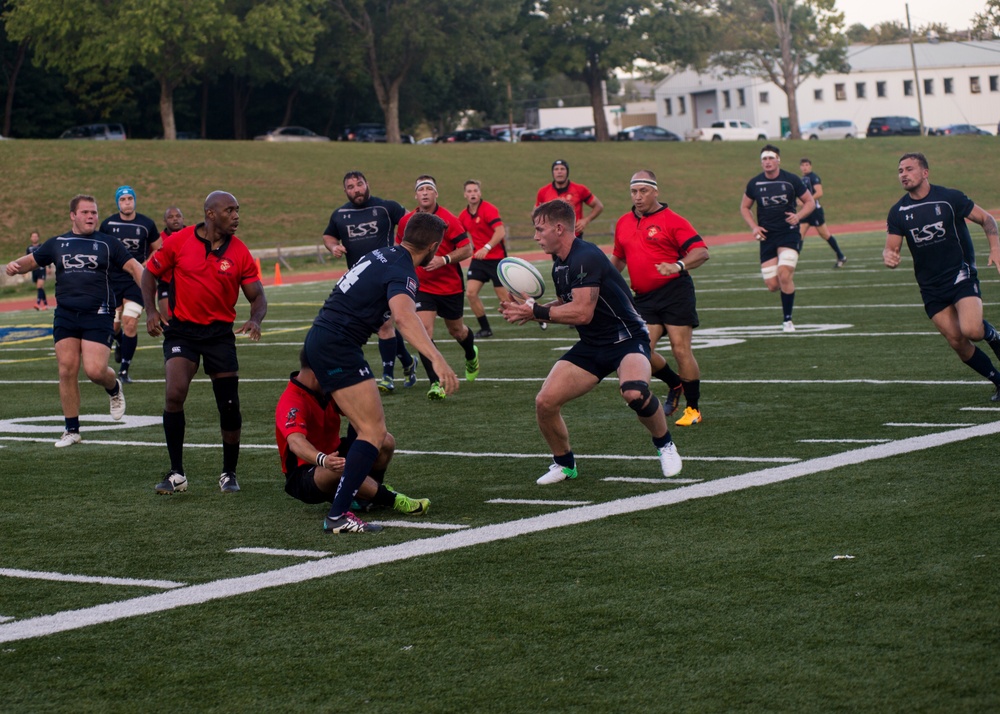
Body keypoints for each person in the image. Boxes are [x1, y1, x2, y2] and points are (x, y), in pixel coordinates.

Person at [500, 199, 682, 485]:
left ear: (559, 228)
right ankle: (564, 464)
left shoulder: (586, 256)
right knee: (545, 403)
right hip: (592, 345)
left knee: (634, 393)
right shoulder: (559, 263)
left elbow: (582, 313)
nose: (535, 236)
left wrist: (535, 310)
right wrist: (531, 313)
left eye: (539, 229)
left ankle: (665, 445)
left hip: (627, 338)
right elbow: (566, 303)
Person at [303, 211, 460, 533]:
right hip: (336, 345)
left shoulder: (381, 253)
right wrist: (437, 359)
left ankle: (360, 498)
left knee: (370, 431)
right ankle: (339, 513)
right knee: (373, 433)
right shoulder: (403, 269)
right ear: (433, 246)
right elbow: (404, 318)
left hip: (327, 339)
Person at [142, 191, 267, 495]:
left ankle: (229, 473)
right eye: (230, 210)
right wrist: (151, 310)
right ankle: (176, 473)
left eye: (238, 210)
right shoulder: (180, 240)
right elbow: (149, 272)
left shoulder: (240, 252)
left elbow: (258, 296)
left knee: (228, 405)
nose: (236, 216)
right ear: (211, 214)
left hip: (219, 335)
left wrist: (256, 319)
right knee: (174, 393)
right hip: (182, 331)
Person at [5, 195, 142, 447]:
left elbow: (134, 267)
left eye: (94, 212)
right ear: (73, 215)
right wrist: (16, 265)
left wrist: (149, 291)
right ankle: (71, 429)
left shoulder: (108, 243)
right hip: (66, 314)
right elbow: (33, 260)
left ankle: (113, 387)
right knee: (66, 369)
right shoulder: (58, 242)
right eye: (86, 212)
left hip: (98, 314)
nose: (91, 216)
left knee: (95, 371)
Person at [884, 152, 1000, 402]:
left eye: (909, 169)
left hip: (960, 274)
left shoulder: (949, 198)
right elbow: (891, 247)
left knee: (972, 330)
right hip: (930, 286)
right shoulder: (898, 211)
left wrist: (996, 249)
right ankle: (998, 381)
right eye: (900, 170)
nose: (903, 174)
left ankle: (993, 335)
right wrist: (889, 256)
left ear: (925, 173)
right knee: (957, 341)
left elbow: (987, 219)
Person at [611, 170, 710, 428]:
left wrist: (677, 265)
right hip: (643, 297)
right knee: (642, 350)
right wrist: (601, 281)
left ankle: (693, 409)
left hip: (675, 292)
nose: (638, 196)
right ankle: (674, 383)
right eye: (634, 191)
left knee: (680, 349)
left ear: (656, 191)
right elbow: (619, 258)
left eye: (643, 191)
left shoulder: (673, 220)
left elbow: (701, 252)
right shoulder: (623, 222)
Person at [276, 356, 430, 516]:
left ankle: (366, 496)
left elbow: (359, 416)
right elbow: (296, 442)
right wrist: (324, 460)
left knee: (384, 440)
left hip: (335, 452)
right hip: (305, 472)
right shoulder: (291, 400)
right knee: (339, 468)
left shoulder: (324, 389)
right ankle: (394, 500)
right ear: (316, 373)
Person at [322, 170, 416, 393]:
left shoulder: (386, 207)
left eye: (360, 184)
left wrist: (403, 249)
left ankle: (387, 377)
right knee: (380, 325)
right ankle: (408, 362)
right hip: (359, 281)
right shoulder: (339, 215)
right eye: (351, 187)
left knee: (384, 325)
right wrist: (333, 246)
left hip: (387, 277)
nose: (357, 190)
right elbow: (328, 235)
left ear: (367, 184)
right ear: (345, 191)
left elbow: (413, 223)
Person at [396, 175, 479, 399]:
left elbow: (467, 249)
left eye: (428, 189)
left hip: (450, 286)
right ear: (416, 195)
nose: (424, 192)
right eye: (420, 189)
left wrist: (443, 260)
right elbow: (399, 246)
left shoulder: (449, 219)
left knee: (457, 331)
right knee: (424, 330)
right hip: (422, 286)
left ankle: (471, 354)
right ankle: (436, 383)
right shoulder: (407, 221)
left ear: (436, 194)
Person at [740, 144, 815, 333]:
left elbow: (810, 202)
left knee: (784, 273)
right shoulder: (755, 183)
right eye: (764, 159)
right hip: (767, 236)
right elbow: (744, 207)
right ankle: (785, 289)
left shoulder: (791, 180)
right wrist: (754, 227)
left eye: (770, 158)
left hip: (788, 233)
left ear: (778, 160)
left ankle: (787, 320)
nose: (767, 162)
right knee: (773, 285)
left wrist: (798, 216)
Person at [100, 185, 160, 384]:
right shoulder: (108, 224)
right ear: (118, 202)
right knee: (114, 325)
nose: (127, 202)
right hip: (113, 280)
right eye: (123, 199)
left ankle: (124, 369)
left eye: (130, 199)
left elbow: (159, 248)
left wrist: (145, 264)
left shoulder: (146, 224)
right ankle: (119, 342)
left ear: (135, 200)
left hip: (136, 280)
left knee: (130, 321)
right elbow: (100, 248)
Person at [459, 179, 508, 338]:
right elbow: (458, 235)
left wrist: (486, 248)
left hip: (496, 259)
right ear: (465, 195)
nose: (473, 194)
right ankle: (485, 328)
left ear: (480, 193)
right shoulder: (463, 215)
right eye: (470, 191)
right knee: (471, 293)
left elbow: (500, 232)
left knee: (505, 299)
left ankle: (536, 313)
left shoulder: (489, 209)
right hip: (479, 260)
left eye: (475, 191)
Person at [534, 159, 603, 238]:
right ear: (552, 172)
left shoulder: (580, 189)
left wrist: (586, 220)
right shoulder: (543, 192)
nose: (559, 172)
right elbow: (536, 213)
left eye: (562, 169)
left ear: (567, 172)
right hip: (552, 238)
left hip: (574, 237)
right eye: (556, 169)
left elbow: (599, 206)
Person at [798, 158, 847, 268]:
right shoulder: (802, 179)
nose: (805, 167)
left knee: (825, 234)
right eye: (803, 165)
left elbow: (819, 193)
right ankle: (792, 261)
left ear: (810, 166)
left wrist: (807, 201)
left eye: (807, 165)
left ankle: (841, 256)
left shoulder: (813, 177)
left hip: (815, 211)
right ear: (800, 167)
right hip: (806, 211)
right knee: (799, 235)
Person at [156, 206, 185, 319]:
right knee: (168, 321)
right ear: (165, 221)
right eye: (170, 217)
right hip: (166, 283)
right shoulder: (158, 239)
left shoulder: (193, 235)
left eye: (178, 216)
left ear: (183, 218)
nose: (175, 219)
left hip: (188, 283)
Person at [25, 231, 50, 310]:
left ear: (38, 237)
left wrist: (48, 267)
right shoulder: (29, 248)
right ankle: (45, 304)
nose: (34, 238)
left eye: (36, 236)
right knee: (40, 287)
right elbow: (27, 260)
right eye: (33, 236)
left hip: (41, 268)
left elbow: (47, 257)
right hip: (34, 270)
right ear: (30, 238)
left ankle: (38, 303)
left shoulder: (42, 246)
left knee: (39, 286)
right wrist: (25, 270)